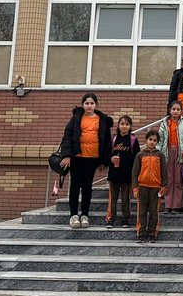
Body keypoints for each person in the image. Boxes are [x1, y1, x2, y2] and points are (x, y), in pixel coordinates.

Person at [57, 92, 112, 228]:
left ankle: (85, 214)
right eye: (86, 103)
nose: (89, 106)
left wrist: (104, 161)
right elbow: (67, 136)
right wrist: (67, 155)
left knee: (87, 187)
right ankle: (74, 215)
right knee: (75, 186)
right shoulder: (76, 118)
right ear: (83, 104)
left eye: (92, 103)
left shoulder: (102, 119)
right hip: (77, 158)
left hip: (92, 158)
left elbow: (107, 141)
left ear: (96, 105)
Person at [157, 100, 183, 212]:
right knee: (168, 179)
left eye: (178, 109)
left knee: (178, 180)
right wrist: (158, 152)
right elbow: (160, 139)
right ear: (169, 110)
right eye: (173, 109)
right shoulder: (164, 123)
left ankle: (177, 205)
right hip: (167, 152)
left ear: (181, 111)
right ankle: (168, 205)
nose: (175, 111)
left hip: (180, 152)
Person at [131, 129, 166, 242]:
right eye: (150, 139)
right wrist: (135, 188)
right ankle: (141, 233)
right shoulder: (140, 155)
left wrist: (164, 186)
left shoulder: (160, 155)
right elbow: (135, 172)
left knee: (154, 212)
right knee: (141, 212)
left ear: (157, 142)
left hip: (155, 188)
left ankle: (152, 233)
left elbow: (164, 172)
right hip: (142, 187)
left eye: (154, 140)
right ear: (146, 140)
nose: (152, 142)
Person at [104, 115, 138, 228]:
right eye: (122, 124)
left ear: (130, 126)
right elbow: (106, 154)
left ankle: (125, 219)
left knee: (125, 199)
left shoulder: (133, 140)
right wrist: (110, 159)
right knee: (112, 199)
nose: (124, 126)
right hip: (114, 174)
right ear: (118, 125)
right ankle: (110, 219)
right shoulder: (113, 139)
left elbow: (137, 158)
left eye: (127, 124)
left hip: (127, 175)